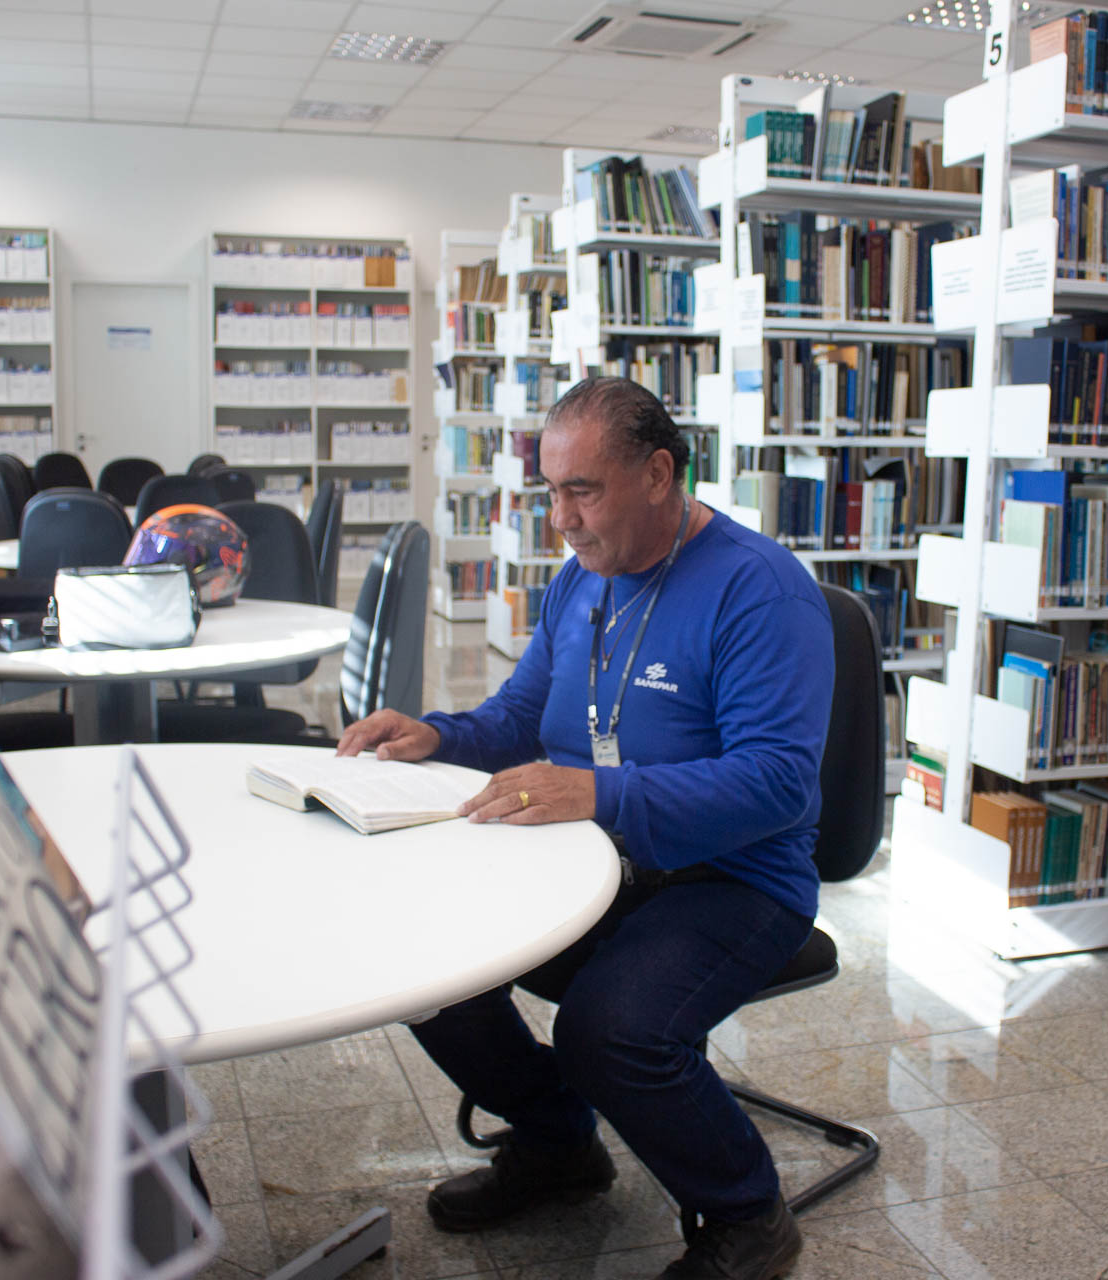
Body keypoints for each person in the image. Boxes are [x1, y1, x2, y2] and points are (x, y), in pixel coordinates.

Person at [337, 376, 833, 1280]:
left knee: (608, 1030)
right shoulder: (580, 582)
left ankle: (749, 1214)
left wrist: (603, 794)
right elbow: (524, 716)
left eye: (583, 491)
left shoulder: (763, 592)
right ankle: (560, 1143)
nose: (561, 518)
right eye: (550, 492)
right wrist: (438, 735)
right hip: (595, 862)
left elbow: (778, 786)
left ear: (657, 473)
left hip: (735, 881)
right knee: (424, 961)